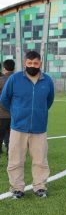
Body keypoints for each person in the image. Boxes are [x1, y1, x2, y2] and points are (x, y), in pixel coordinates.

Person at [0, 51, 54, 199]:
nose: (32, 66)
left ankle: (40, 187)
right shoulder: (15, 79)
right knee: (16, 159)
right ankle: (17, 188)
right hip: (18, 127)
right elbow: (4, 99)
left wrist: (39, 113)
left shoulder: (47, 81)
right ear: (25, 63)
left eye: (35, 63)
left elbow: (49, 100)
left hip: (39, 128)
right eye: (29, 63)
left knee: (40, 160)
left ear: (40, 64)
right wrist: (16, 112)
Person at [0, 59, 15, 158]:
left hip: (1, 114)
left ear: (4, 68)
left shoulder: (2, 80)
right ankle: (11, 156)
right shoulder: (18, 80)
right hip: (15, 115)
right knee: (12, 138)